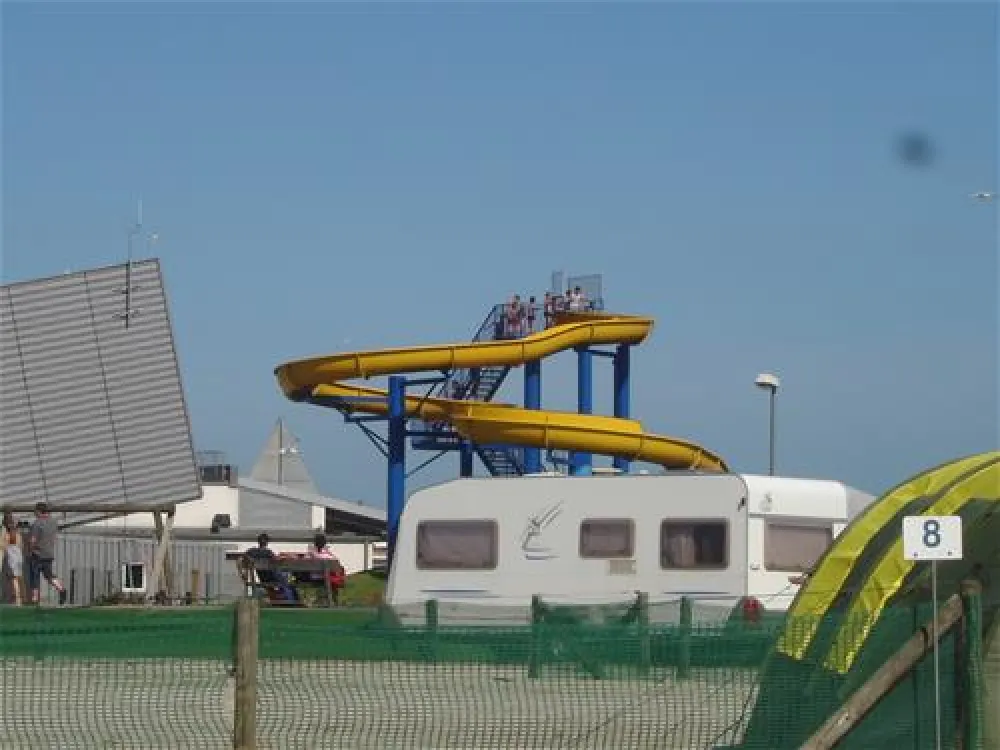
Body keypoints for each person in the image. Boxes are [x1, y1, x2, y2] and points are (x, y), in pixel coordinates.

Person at [27, 502, 67, 605]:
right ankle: (61, 589)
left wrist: (30, 550)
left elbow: (33, 540)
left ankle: (35, 599)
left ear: (39, 511)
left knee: (34, 576)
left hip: (37, 553)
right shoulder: (53, 522)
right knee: (48, 575)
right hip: (48, 553)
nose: (34, 513)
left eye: (35, 511)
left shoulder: (37, 523)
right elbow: (53, 538)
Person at [1, 512, 24, 606]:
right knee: (16, 578)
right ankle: (18, 599)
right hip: (18, 556)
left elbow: (3, 545)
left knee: (13, 578)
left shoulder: (6, 533)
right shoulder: (17, 533)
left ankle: (18, 599)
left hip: (11, 557)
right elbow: (20, 545)